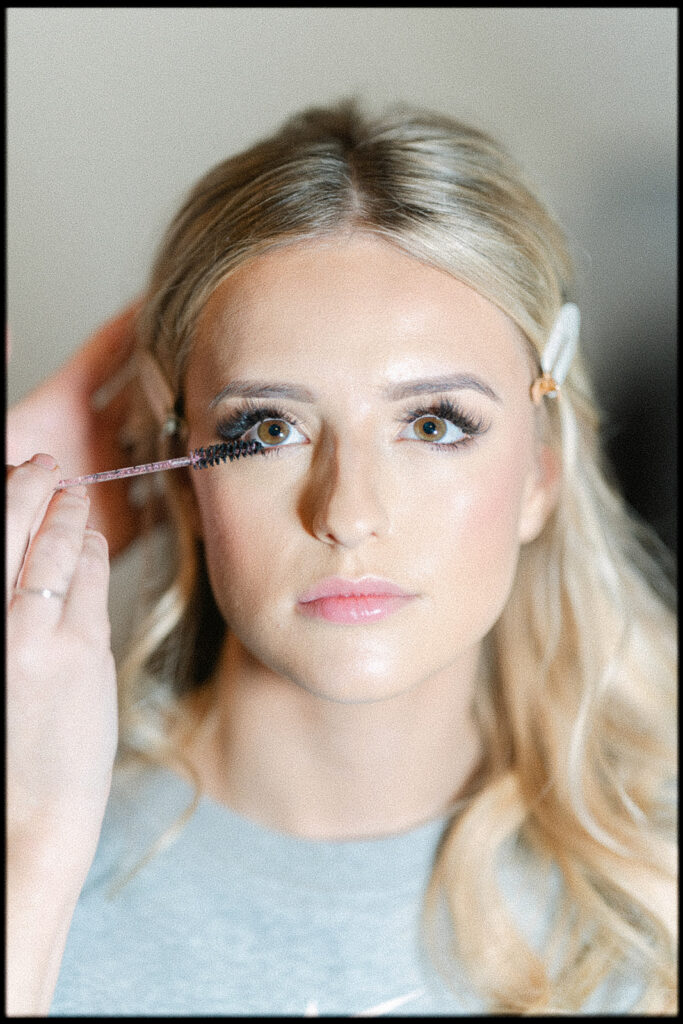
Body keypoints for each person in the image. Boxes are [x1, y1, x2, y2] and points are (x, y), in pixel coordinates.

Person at [7, 99, 676, 1016]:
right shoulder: (37, 871)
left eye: (434, 423)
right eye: (268, 428)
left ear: (540, 475)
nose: (348, 514)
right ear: (179, 469)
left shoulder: (651, 900)